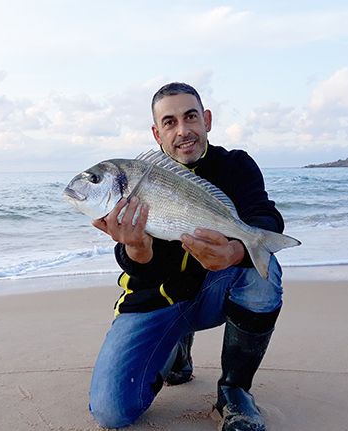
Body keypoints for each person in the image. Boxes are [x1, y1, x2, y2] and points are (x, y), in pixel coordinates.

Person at [89, 82, 285, 431]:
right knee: (112, 412)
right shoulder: (135, 182)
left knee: (263, 267)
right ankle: (175, 350)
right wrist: (137, 248)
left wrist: (235, 251)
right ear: (156, 133)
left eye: (190, 117)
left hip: (212, 293)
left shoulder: (236, 165)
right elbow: (133, 264)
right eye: (169, 122)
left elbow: (263, 216)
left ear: (206, 120)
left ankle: (234, 390)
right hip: (155, 303)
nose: (183, 131)